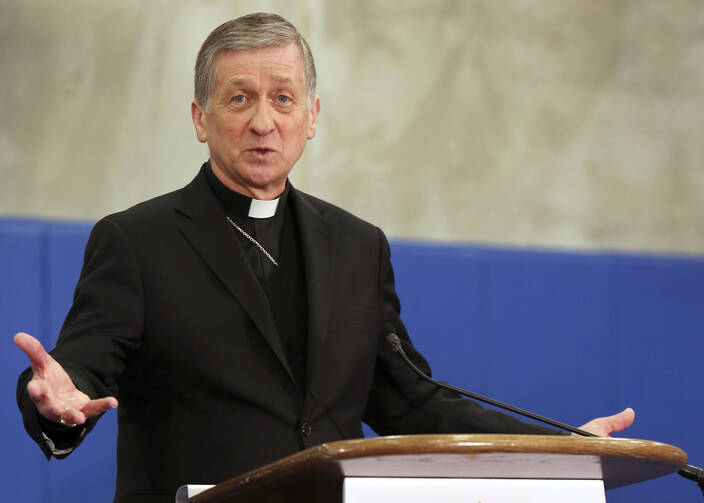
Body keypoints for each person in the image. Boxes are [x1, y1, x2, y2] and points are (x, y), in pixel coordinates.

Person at [15, 12, 634, 503]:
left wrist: (564, 448)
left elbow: (411, 400)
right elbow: (77, 378)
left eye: (283, 99)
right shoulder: (137, 240)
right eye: (240, 99)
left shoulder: (358, 246)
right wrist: (55, 407)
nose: (263, 122)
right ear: (200, 118)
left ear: (312, 118)